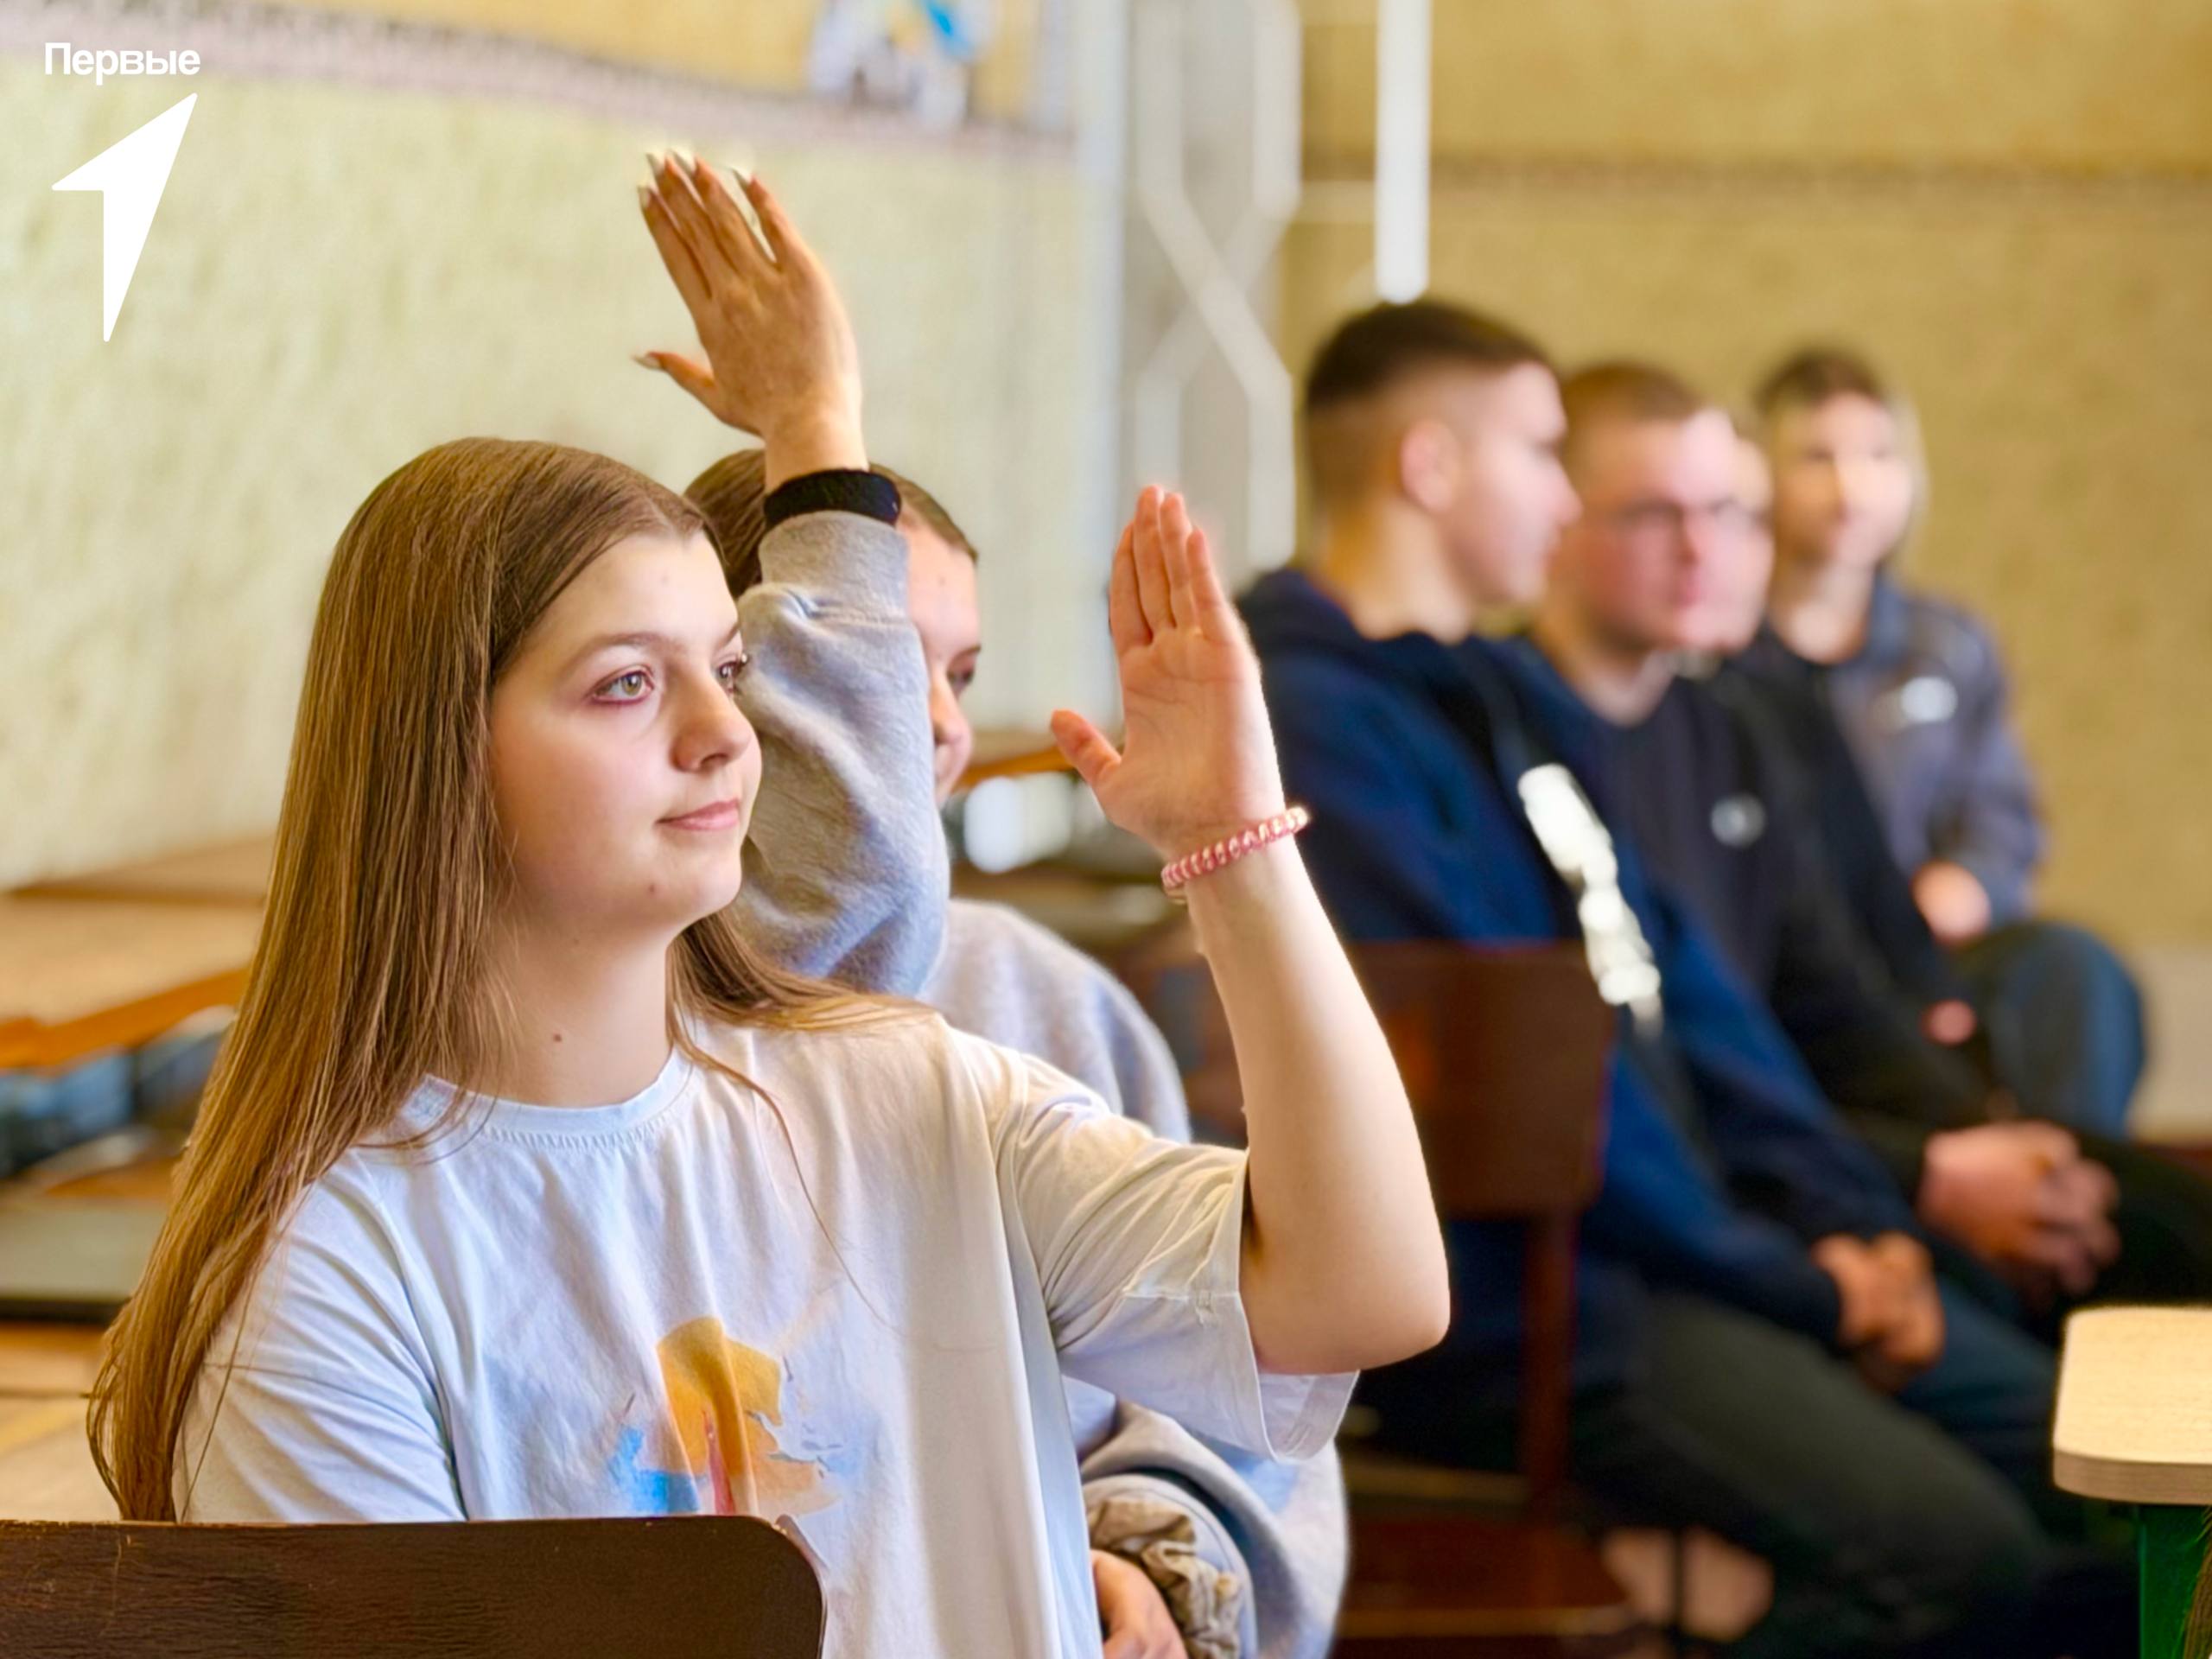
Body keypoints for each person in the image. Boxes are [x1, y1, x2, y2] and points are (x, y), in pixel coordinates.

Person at [88, 157, 1449, 1659]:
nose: (725, 738)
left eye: (730, 672)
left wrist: (1234, 849)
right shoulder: (332, 1268)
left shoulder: (912, 1090)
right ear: (438, 755)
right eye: (627, 684)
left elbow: (1364, 1292)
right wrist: (815, 434)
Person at [1242, 297, 2131, 1658]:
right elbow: (1538, 1080)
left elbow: (1689, 998)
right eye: (1540, 452)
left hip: (1681, 1253)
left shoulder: (1499, 700)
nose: (1561, 499)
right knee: (1977, 1569)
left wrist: (1857, 1228)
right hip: (1531, 1299)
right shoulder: (1311, 722)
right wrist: (1809, 1287)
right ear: (1431, 465)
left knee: (2091, 1469)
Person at [633, 160, 1347, 1658]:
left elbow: (1247, 1369)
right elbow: (835, 925)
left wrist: (1148, 1553)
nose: (937, 730)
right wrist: (812, 431)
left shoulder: (1040, 991)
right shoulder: (635, 1005)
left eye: (957, 676)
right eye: (881, 671)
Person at [1510, 359, 2212, 1328]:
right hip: (1739, 1176)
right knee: (2037, 1342)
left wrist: (1993, 1147)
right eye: (1655, 516)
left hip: (1840, 1106)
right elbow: (1687, 1074)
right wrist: (1910, 1191)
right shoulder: (1527, 732)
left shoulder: (1759, 712)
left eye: (1727, 515)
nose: (1705, 549)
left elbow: (1840, 979)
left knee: (2143, 1178)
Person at [1745, 346, 2145, 1136]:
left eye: (1878, 456)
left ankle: (2066, 1180)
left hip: (1927, 948)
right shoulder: (1721, 653)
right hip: (1786, 960)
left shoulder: (1947, 646)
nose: (1851, 488)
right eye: (1817, 458)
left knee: (2073, 968)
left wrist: (1963, 888)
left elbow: (2002, 820)